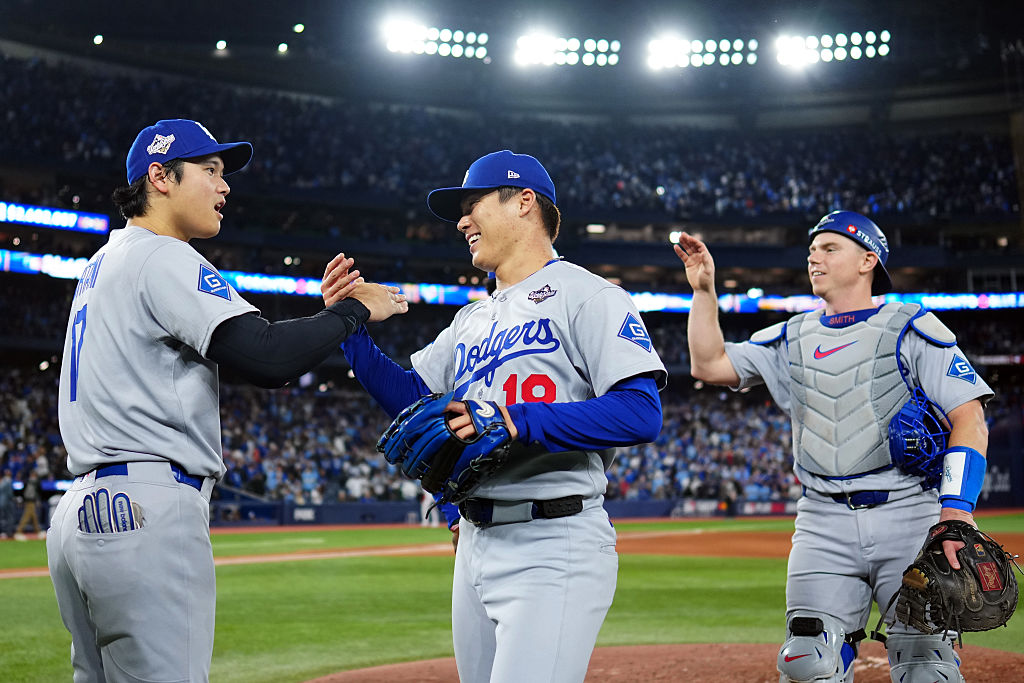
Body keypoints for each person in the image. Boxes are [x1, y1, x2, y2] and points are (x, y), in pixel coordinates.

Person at [47, 118, 407, 683]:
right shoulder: (162, 256)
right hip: (145, 509)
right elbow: (266, 357)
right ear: (160, 177)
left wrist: (322, 324)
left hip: (81, 513)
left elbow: (249, 355)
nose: (225, 186)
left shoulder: (102, 264)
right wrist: (354, 311)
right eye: (209, 170)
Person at [334, 150, 667, 682]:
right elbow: (416, 402)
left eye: (474, 202)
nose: (463, 220)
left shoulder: (588, 295)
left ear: (525, 203)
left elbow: (641, 412)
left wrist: (517, 419)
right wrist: (349, 327)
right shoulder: (471, 319)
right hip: (474, 542)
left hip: (553, 541)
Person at [675, 210, 992, 683]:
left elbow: (970, 417)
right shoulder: (791, 335)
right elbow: (709, 363)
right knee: (805, 663)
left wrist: (956, 511)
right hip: (822, 521)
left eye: (829, 248)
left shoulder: (912, 325)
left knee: (927, 668)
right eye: (811, 250)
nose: (814, 257)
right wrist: (703, 292)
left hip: (908, 514)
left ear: (868, 260)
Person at [14, 470, 42, 539]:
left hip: (30, 501)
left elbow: (24, 492)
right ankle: (19, 531)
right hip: (30, 501)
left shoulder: (29, 482)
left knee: (33, 517)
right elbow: (37, 492)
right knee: (27, 516)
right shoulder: (33, 482)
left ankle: (38, 531)